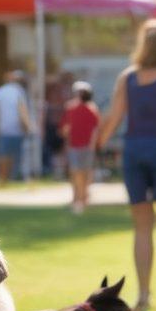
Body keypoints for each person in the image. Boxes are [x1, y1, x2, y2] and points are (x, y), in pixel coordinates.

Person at [98, 19, 156, 311]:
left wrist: (98, 143)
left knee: (142, 227)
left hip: (135, 152)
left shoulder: (129, 77)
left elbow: (114, 117)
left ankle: (144, 295)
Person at [60, 81, 100, 214]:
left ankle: (82, 198)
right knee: (78, 172)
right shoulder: (72, 108)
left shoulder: (91, 108)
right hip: (76, 145)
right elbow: (66, 128)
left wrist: (92, 144)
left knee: (82, 172)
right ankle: (78, 198)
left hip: (85, 146)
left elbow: (95, 128)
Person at [0, 69, 31, 185]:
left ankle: (3, 178)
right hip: (17, 129)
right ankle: (14, 177)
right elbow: (22, 110)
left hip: (3, 128)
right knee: (17, 156)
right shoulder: (19, 91)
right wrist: (28, 126)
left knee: (4, 155)